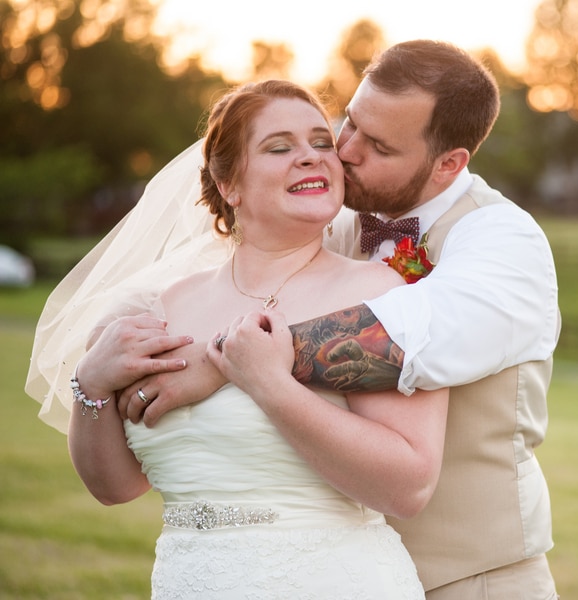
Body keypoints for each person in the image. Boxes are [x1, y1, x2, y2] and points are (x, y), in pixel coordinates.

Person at [27, 40, 560, 599]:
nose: (344, 152)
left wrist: (226, 363)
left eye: (375, 144)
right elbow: (179, 284)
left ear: (448, 164)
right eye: (347, 125)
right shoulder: (324, 220)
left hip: (473, 574)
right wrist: (102, 358)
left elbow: (418, 334)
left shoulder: (502, 238)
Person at [62, 79, 448, 598]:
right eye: (279, 147)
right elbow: (115, 487)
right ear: (229, 185)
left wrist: (270, 383)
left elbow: (408, 487)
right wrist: (89, 385)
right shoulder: (167, 306)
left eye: (320, 142)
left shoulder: (378, 293)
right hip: (190, 581)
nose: (311, 157)